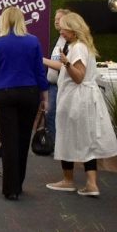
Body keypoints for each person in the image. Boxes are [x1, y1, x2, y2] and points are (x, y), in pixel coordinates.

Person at [47, 13, 117, 196]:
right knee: (87, 140)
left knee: (68, 137)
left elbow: (78, 76)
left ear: (72, 29)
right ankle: (91, 184)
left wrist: (67, 63)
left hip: (75, 100)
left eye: (63, 27)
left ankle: (68, 180)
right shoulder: (83, 46)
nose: (61, 30)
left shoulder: (77, 48)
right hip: (83, 99)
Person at [0, 7, 49, 200]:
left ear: (3, 20)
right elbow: (39, 70)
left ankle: (10, 188)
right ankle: (19, 183)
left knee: (9, 139)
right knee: (22, 140)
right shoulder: (33, 41)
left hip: (4, 94)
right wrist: (44, 96)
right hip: (29, 93)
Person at [42, 9, 71, 144]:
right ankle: (53, 145)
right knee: (50, 115)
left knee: (56, 115)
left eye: (59, 19)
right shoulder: (57, 39)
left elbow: (65, 66)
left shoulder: (70, 43)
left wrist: (41, 59)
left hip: (62, 85)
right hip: (52, 85)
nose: (56, 21)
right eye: (55, 18)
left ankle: (56, 147)